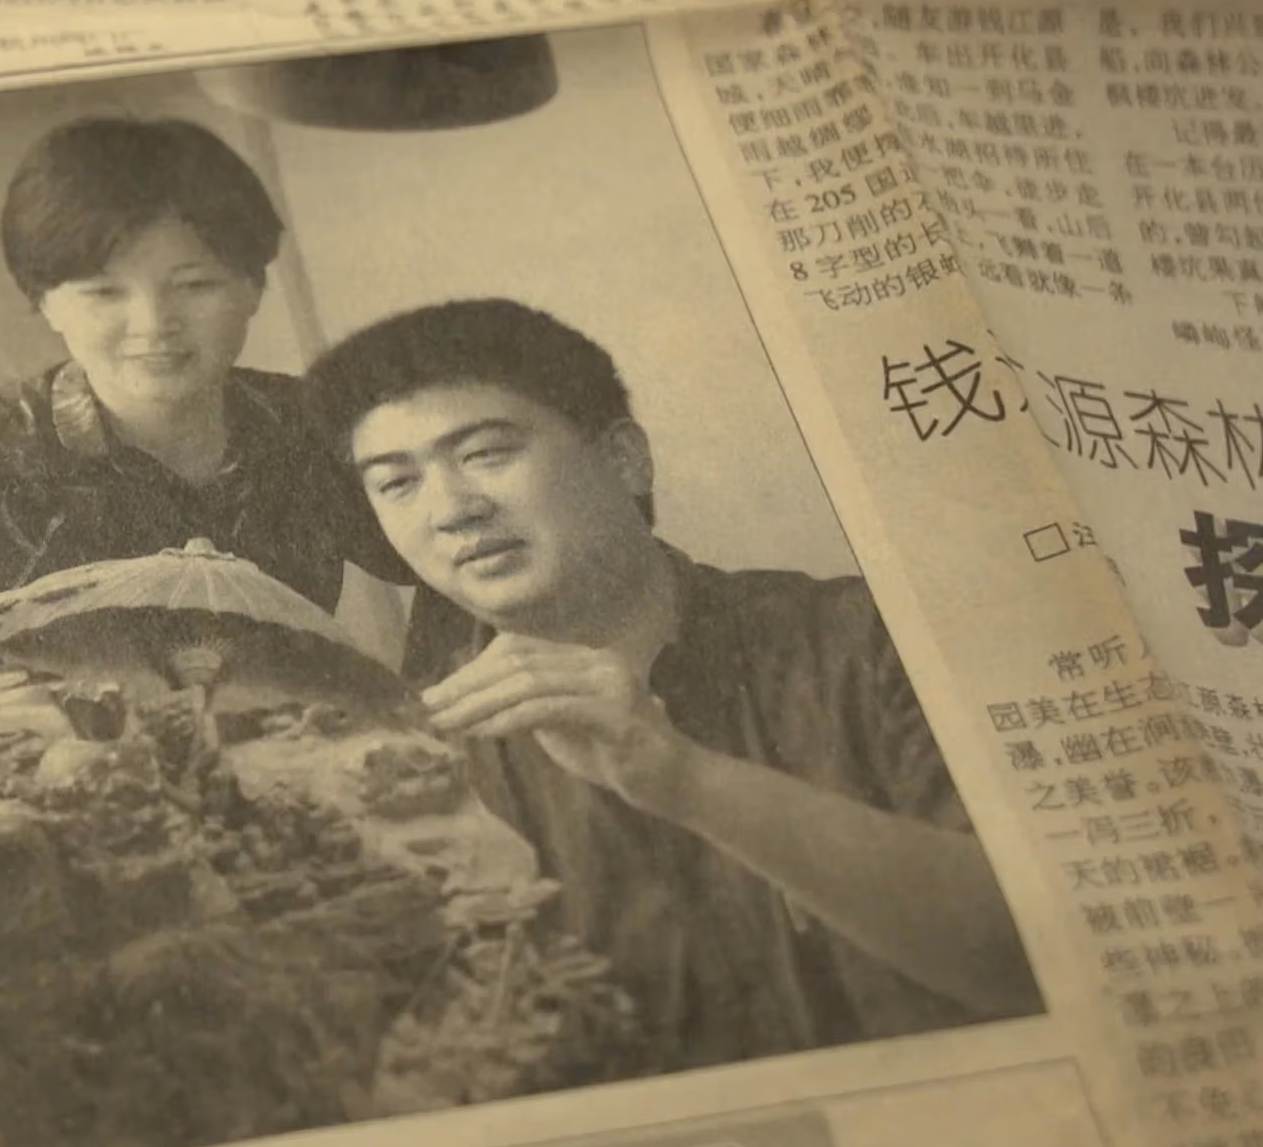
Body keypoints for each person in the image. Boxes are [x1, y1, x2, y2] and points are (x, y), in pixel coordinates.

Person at [302, 297, 1043, 1074]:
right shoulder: (413, 754)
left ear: (624, 459)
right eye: (396, 483)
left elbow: (1049, 953)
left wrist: (685, 778)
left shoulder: (868, 636)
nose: (452, 509)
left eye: (486, 453)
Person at [0, 117, 399, 644]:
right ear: (45, 302)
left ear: (252, 288)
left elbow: (460, 542)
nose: (153, 324)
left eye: (194, 285)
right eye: (105, 293)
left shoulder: (314, 421)